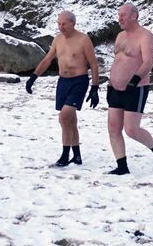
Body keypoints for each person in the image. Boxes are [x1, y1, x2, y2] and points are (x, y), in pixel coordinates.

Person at [25, 11, 100, 167]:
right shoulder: (57, 40)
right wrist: (33, 77)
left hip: (79, 82)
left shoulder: (83, 39)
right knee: (70, 121)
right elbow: (47, 60)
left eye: (64, 24)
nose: (61, 27)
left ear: (73, 23)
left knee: (64, 117)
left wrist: (95, 87)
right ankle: (77, 156)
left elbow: (93, 64)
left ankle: (65, 156)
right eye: (59, 23)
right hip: (62, 82)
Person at [106, 3, 153, 175]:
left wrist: (134, 80)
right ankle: (122, 166)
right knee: (113, 127)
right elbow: (118, 62)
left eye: (123, 15)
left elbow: (148, 62)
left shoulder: (145, 36)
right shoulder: (119, 36)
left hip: (135, 88)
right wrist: (110, 84)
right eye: (119, 15)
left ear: (134, 16)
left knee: (131, 129)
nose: (120, 18)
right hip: (115, 88)